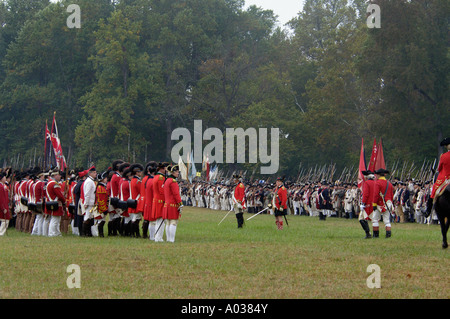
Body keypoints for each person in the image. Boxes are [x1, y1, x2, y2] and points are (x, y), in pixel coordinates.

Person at [427, 137, 450, 215]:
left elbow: (440, 168)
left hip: (446, 178)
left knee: (434, 191)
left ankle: (428, 210)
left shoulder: (443, 156)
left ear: (447, 146)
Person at [162, 165, 183, 242]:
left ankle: (168, 239)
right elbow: (176, 194)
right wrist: (180, 203)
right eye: (177, 172)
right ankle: (171, 239)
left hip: (167, 203)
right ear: (173, 172)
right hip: (173, 204)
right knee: (173, 222)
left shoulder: (167, 180)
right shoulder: (173, 181)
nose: (178, 173)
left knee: (168, 222)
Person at [373, 168, 395, 238]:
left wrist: (374, 204)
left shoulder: (378, 183)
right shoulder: (389, 183)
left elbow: (376, 195)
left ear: (379, 175)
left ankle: (376, 235)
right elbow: (391, 195)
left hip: (380, 203)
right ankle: (388, 235)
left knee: (375, 219)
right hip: (388, 203)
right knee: (387, 220)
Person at [45, 169, 66, 237]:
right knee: (55, 220)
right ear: (55, 175)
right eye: (58, 175)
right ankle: (52, 233)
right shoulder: (54, 184)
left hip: (52, 202)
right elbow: (59, 195)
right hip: (55, 202)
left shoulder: (49, 182)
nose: (60, 176)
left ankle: (56, 233)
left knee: (56, 219)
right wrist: (64, 200)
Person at [152, 162, 168, 241]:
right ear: (162, 169)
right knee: (161, 220)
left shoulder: (156, 176)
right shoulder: (161, 178)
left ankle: (158, 236)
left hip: (157, 200)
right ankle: (158, 237)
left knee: (159, 220)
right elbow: (162, 191)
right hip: (161, 200)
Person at [128, 163, 144, 237]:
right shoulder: (137, 181)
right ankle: (135, 233)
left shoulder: (133, 180)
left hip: (133, 200)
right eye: (140, 172)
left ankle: (132, 233)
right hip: (137, 201)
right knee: (136, 219)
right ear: (137, 173)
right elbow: (141, 191)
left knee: (134, 218)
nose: (141, 173)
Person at [359, 171, 376, 239]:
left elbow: (366, 194)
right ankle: (374, 234)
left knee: (361, 218)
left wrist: (363, 203)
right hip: (374, 203)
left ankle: (368, 233)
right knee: (374, 220)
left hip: (368, 204)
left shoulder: (367, 183)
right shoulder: (375, 183)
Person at [82, 166, 97, 236]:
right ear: (90, 173)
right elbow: (87, 193)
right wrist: (86, 203)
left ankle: (88, 232)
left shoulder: (91, 181)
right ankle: (85, 232)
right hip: (89, 202)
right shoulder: (89, 182)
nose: (95, 174)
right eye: (94, 173)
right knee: (87, 217)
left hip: (91, 202)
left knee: (90, 218)